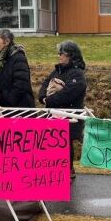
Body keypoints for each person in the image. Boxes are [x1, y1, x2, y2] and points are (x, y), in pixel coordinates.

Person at [38, 41, 87, 178]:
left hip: (70, 115)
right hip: (54, 113)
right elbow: (45, 84)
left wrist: (49, 100)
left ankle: (68, 169)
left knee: (65, 143)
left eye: (62, 53)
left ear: (70, 55)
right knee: (55, 143)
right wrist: (43, 97)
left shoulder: (77, 74)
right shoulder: (57, 70)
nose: (59, 55)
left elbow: (69, 93)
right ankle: (56, 169)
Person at [0, 28, 35, 107]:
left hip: (19, 107)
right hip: (3, 106)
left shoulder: (18, 58)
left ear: (6, 41)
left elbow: (21, 84)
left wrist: (8, 102)